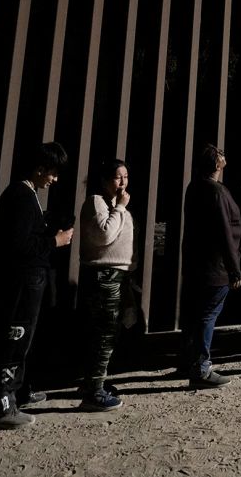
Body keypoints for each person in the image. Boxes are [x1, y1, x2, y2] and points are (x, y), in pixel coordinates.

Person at [0, 142, 74, 429]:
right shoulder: (21, 195)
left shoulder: (24, 194)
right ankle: (1, 405)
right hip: (21, 282)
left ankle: (15, 395)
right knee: (14, 339)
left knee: (20, 340)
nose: (54, 179)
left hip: (26, 281)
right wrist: (54, 241)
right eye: (53, 173)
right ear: (40, 168)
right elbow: (19, 245)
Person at [181, 143, 241, 388]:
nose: (223, 155)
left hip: (198, 263)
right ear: (216, 163)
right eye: (220, 153)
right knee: (207, 315)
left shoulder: (194, 187)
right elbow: (224, 232)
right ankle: (201, 368)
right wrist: (234, 267)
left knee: (196, 315)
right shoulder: (216, 191)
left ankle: (190, 362)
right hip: (215, 267)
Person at [76, 159, 135, 411]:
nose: (122, 182)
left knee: (110, 332)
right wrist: (120, 209)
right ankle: (94, 390)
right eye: (117, 177)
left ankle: (95, 382)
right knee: (104, 332)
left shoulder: (113, 205)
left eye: (125, 176)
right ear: (104, 180)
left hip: (118, 275)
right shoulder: (96, 203)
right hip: (103, 275)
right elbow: (104, 235)